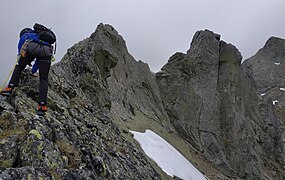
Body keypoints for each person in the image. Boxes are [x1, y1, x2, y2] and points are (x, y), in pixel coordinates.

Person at [0, 24, 55, 115]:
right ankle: (42, 105)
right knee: (44, 78)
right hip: (47, 50)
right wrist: (33, 71)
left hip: (32, 47)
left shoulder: (26, 36)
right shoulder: (41, 36)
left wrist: (22, 60)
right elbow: (39, 60)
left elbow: (21, 51)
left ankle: (10, 88)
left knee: (19, 66)